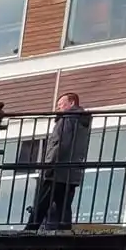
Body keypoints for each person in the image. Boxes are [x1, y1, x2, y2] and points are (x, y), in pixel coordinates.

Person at [27, 92, 92, 231]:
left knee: (42, 202)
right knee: (64, 206)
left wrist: (50, 165)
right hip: (71, 171)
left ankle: (29, 231)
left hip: (57, 170)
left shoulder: (68, 118)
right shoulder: (82, 121)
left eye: (61, 104)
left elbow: (61, 143)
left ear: (72, 103)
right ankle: (65, 233)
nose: (58, 108)